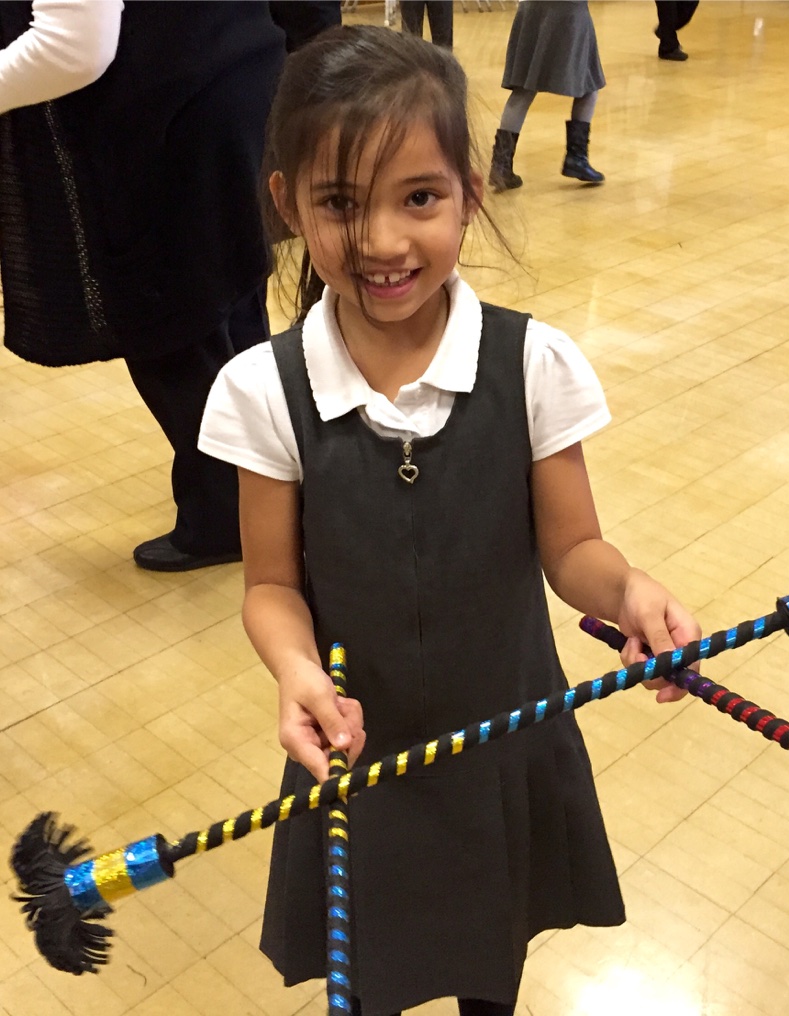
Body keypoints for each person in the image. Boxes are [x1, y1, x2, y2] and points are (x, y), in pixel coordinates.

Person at [199, 26, 699, 1016]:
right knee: (369, 968)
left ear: (467, 192)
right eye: (341, 204)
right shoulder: (262, 388)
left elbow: (572, 549)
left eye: (418, 198)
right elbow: (270, 586)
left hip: (504, 739)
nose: (383, 242)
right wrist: (298, 672)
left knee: (489, 955)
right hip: (358, 750)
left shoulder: (535, 363)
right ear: (286, 202)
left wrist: (629, 588)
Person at [0, 1, 333, 572]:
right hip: (235, 75)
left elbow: (73, 48)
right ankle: (269, 481)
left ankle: (225, 518)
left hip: (168, 112)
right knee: (228, 303)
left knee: (170, 326)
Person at [489, 0, 605, 193]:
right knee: (590, 83)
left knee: (524, 88)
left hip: (532, 9)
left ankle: (501, 166)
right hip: (569, 12)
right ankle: (576, 158)